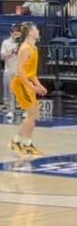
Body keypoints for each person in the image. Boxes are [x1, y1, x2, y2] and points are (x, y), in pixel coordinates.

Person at [8, 22, 47, 156]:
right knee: (31, 114)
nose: (38, 31)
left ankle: (28, 144)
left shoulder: (34, 48)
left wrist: (39, 85)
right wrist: (31, 86)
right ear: (30, 32)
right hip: (20, 83)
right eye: (36, 29)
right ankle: (16, 141)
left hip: (28, 83)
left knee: (34, 115)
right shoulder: (25, 48)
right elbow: (20, 71)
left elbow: (32, 73)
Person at [1, 25, 21, 118]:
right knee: (10, 91)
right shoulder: (5, 43)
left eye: (18, 34)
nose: (17, 35)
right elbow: (2, 56)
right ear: (11, 33)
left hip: (19, 71)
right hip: (9, 70)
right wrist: (12, 51)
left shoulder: (22, 43)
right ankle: (11, 110)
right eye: (15, 33)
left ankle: (22, 110)